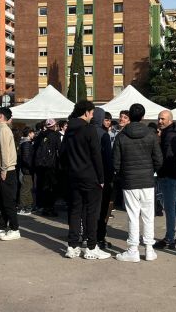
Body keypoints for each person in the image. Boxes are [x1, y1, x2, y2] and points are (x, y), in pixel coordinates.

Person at [113, 103, 163, 262]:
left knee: (133, 215)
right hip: (147, 179)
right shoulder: (151, 135)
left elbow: (116, 162)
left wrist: (122, 175)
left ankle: (133, 249)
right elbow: (158, 159)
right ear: (142, 116)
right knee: (148, 215)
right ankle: (149, 249)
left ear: (130, 116)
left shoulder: (121, 136)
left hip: (129, 181)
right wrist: (151, 170)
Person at [60, 101, 111, 260]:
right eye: (92, 112)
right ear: (87, 112)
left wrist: (69, 171)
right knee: (91, 212)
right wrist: (101, 178)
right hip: (90, 177)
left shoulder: (69, 130)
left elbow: (62, 154)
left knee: (75, 211)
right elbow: (96, 155)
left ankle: (72, 246)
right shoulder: (89, 130)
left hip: (73, 176)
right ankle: (91, 247)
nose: (93, 115)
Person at [154, 110, 176, 250]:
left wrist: (160, 171)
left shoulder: (169, 135)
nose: (159, 121)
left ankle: (169, 238)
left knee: (169, 208)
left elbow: (167, 157)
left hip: (170, 175)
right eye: (159, 119)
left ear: (170, 120)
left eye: (162, 119)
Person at [89, 107, 115, 251]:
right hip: (102, 178)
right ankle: (99, 238)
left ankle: (88, 236)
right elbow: (107, 160)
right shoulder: (103, 135)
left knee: (89, 209)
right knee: (102, 210)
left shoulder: (84, 131)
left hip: (86, 177)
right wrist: (109, 178)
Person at [0, 107, 20, 241]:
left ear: (1, 116)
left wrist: (3, 169)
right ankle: (1, 227)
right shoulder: (3, 129)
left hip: (8, 170)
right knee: (5, 200)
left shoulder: (3, 130)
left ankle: (15, 229)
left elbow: (4, 151)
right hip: (8, 169)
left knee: (8, 201)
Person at [34, 118, 62, 217]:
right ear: (54, 126)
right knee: (52, 188)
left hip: (41, 166)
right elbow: (60, 150)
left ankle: (44, 207)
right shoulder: (56, 136)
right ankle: (50, 208)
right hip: (52, 166)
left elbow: (35, 148)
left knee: (43, 186)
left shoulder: (40, 135)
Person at [17, 127, 35, 216]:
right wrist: (31, 167)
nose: (34, 134)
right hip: (26, 170)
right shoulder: (26, 144)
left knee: (27, 188)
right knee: (26, 188)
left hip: (26, 170)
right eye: (33, 133)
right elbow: (26, 159)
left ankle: (27, 207)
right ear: (29, 134)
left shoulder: (24, 143)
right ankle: (24, 207)